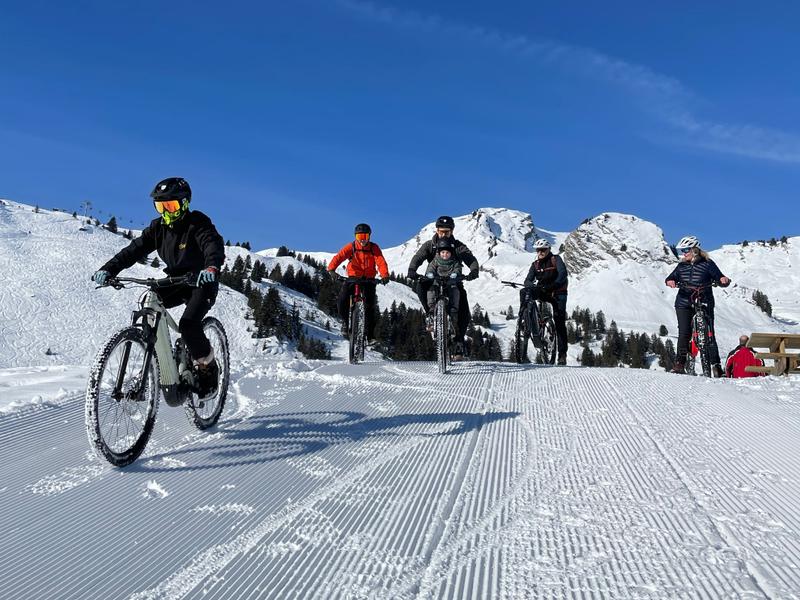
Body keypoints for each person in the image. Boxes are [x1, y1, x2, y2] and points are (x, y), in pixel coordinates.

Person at [92, 177, 225, 399]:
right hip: (175, 281)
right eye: (161, 206)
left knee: (189, 325)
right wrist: (109, 270)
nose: (167, 212)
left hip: (201, 282)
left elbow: (212, 244)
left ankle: (207, 369)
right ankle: (160, 358)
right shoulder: (158, 228)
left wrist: (211, 267)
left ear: (184, 204)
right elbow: (132, 251)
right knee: (150, 299)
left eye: (171, 206)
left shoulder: (197, 223)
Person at [407, 216, 479, 356]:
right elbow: (418, 257)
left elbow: (470, 258)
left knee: (464, 310)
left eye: (446, 232)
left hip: (453, 281)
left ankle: (458, 342)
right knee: (421, 287)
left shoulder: (458, 246)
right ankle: (430, 313)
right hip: (433, 279)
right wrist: (412, 269)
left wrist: (474, 270)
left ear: (452, 231)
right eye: (441, 231)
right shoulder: (430, 245)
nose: (443, 234)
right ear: (437, 230)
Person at [665, 235, 731, 377]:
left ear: (695, 250)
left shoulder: (708, 263)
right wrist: (670, 281)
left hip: (704, 300)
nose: (684, 253)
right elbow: (670, 277)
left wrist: (723, 280)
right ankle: (680, 364)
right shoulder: (681, 266)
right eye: (682, 250)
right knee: (684, 333)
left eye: (686, 250)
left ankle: (716, 366)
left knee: (710, 333)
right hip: (683, 302)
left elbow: (719, 277)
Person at [327, 223, 390, 341]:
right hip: (353, 278)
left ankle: (370, 336)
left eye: (365, 236)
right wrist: (331, 269)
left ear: (369, 236)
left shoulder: (373, 248)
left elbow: (380, 261)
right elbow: (339, 256)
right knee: (342, 300)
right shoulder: (351, 247)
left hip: (369, 280)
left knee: (370, 307)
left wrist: (384, 275)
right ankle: (345, 323)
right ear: (355, 237)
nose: (362, 240)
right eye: (359, 237)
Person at [521, 238, 569, 365]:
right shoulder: (535, 264)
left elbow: (563, 274)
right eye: (538, 250)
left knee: (559, 321)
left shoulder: (556, 259)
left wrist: (554, 285)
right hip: (543, 291)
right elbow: (528, 280)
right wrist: (530, 285)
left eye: (543, 249)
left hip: (558, 292)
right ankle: (525, 316)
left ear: (548, 250)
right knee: (524, 292)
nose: (540, 252)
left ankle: (562, 355)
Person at [424, 237, 463, 337]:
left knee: (455, 291)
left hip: (450, 283)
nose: (445, 255)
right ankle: (432, 310)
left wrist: (455, 274)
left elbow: (458, 268)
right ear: (439, 253)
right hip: (437, 282)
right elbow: (430, 268)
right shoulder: (435, 261)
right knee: (431, 290)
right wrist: (430, 274)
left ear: (451, 253)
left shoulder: (454, 262)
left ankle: (453, 311)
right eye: (443, 253)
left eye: (447, 253)